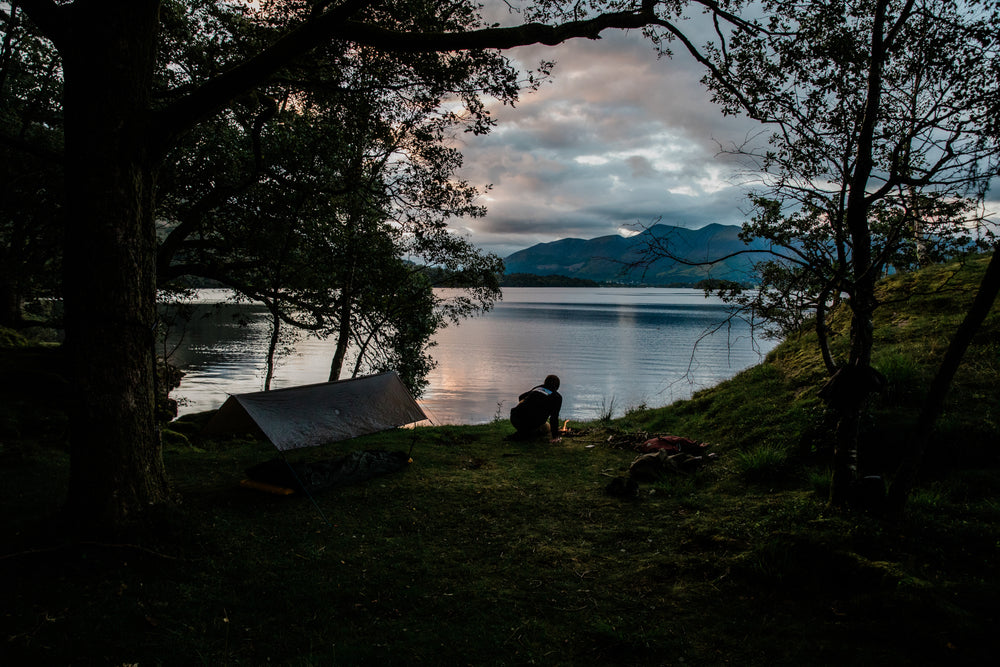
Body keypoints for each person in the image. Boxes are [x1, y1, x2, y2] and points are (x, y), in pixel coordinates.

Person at [509, 374, 563, 443]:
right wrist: (555, 436)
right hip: (532, 423)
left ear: (545, 382)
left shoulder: (538, 388)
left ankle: (523, 431)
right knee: (547, 427)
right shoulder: (557, 397)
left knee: (527, 409)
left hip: (514, 418)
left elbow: (521, 397)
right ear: (557, 386)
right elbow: (554, 418)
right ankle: (528, 432)